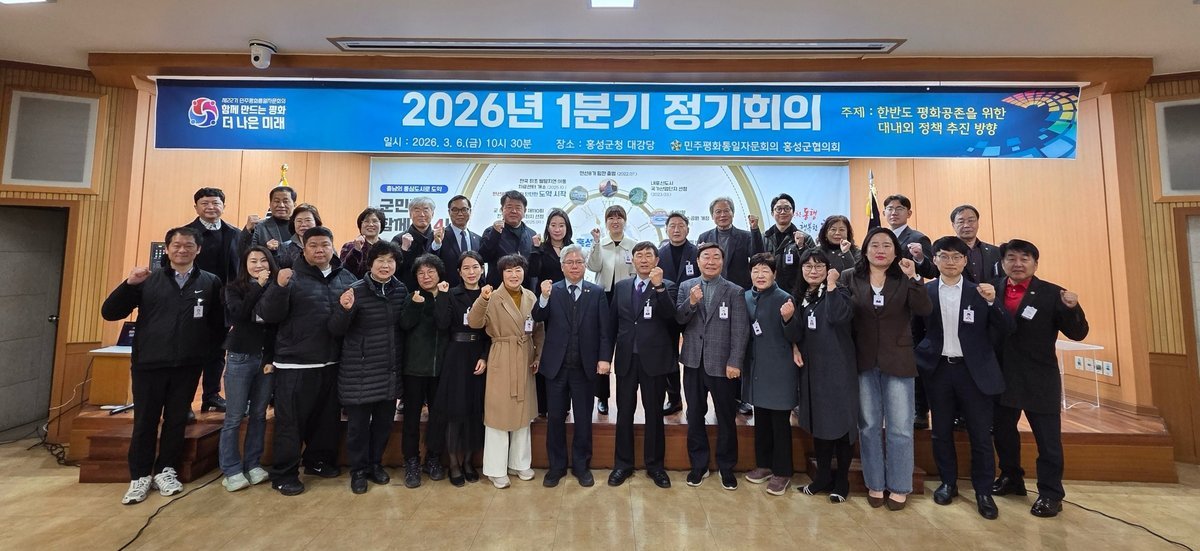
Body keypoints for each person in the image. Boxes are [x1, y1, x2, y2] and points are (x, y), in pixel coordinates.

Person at [102, 227, 224, 505]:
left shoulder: (210, 281)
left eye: (188, 245)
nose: (182, 250)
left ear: (198, 250)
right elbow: (110, 312)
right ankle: (140, 475)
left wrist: (205, 354)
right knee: (145, 421)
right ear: (167, 249)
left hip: (188, 365)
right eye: (176, 245)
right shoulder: (147, 279)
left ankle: (166, 469)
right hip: (149, 363)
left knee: (177, 420)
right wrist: (129, 284)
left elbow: (217, 325)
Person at [990, 239, 1089, 518]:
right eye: (1011, 258)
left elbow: (1078, 333)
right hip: (1001, 375)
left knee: (1048, 440)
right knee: (1003, 433)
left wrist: (1072, 308)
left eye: (1024, 258)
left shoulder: (1053, 293)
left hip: (1039, 377)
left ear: (1035, 263)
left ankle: (1051, 493)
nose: (1018, 264)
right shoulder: (991, 290)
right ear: (1002, 262)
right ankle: (1011, 477)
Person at [915, 236, 1012, 519]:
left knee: (980, 434)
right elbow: (914, 331)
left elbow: (1007, 327)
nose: (950, 262)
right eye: (944, 256)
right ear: (934, 260)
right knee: (940, 431)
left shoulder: (981, 291)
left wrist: (993, 303)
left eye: (956, 257)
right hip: (938, 370)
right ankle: (948, 483)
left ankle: (983, 491)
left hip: (973, 372)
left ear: (965, 260)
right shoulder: (925, 292)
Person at [256, 226, 357, 496]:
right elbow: (269, 315)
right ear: (304, 248)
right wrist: (278, 287)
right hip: (295, 364)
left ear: (333, 247)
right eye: (313, 245)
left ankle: (317, 461)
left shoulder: (345, 277)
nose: (320, 250)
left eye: (325, 245)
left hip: (331, 362)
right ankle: (284, 473)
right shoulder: (289, 276)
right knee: (290, 423)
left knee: (326, 420)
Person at [840, 226, 932, 511]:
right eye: (875, 245)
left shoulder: (904, 277)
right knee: (868, 426)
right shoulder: (849, 276)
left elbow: (924, 309)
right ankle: (875, 483)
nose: (880, 250)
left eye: (887, 245)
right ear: (865, 249)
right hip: (863, 359)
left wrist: (914, 277)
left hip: (898, 360)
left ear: (896, 251)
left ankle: (900, 485)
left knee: (900, 427)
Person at [329, 241, 409, 494]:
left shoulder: (401, 290)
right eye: (380, 260)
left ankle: (375, 464)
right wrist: (344, 309)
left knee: (384, 425)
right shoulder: (355, 290)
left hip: (389, 370)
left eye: (390, 261)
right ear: (370, 263)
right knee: (358, 428)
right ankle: (358, 471)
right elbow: (336, 329)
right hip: (359, 372)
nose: (385, 265)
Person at [534, 244, 613, 487]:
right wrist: (543, 297)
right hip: (556, 368)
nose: (575, 266)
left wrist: (604, 358)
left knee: (583, 419)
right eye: (570, 262)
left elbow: (605, 330)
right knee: (555, 419)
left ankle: (581, 466)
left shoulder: (596, 292)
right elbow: (538, 316)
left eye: (579, 262)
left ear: (585, 265)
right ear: (562, 266)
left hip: (585, 367)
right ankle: (556, 467)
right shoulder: (552, 290)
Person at [675, 242, 750, 490]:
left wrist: (735, 361)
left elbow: (740, 330)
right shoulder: (686, 287)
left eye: (716, 257)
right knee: (695, 414)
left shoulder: (735, 291)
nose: (710, 261)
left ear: (722, 261)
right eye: (705, 257)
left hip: (723, 365)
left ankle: (727, 467)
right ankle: (699, 465)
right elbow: (679, 320)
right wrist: (691, 302)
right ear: (698, 262)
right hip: (693, 361)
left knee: (726, 417)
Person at [467, 254, 544, 489]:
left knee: (523, 414)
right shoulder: (492, 296)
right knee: (498, 415)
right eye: (508, 270)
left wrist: (538, 356)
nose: (514, 274)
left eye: (518, 270)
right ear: (501, 274)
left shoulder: (530, 296)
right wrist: (482, 299)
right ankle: (495, 469)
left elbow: (538, 329)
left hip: (525, 356)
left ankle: (519, 463)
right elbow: (474, 322)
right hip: (501, 355)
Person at [608, 242, 677, 489]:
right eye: (639, 255)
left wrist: (659, 287)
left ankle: (655, 466)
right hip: (626, 359)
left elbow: (672, 317)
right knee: (624, 412)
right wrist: (606, 357)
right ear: (633, 260)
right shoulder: (622, 287)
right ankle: (622, 464)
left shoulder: (668, 286)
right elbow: (612, 325)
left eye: (649, 255)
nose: (644, 259)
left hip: (654, 361)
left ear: (657, 260)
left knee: (654, 414)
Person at [167, 187, 242, 414]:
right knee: (188, 353)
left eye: (215, 203)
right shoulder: (185, 235)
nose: (211, 207)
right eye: (205, 203)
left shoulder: (234, 233)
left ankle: (211, 395)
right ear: (196, 207)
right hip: (192, 302)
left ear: (223, 206)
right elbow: (169, 267)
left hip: (222, 303)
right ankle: (184, 402)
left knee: (217, 352)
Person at [791, 249, 857, 503]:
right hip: (812, 370)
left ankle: (842, 481)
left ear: (828, 269)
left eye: (819, 266)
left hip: (837, 369)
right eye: (808, 266)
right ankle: (822, 478)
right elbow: (799, 331)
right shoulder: (802, 296)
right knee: (819, 423)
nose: (813, 271)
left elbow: (838, 317)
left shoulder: (838, 292)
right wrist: (794, 346)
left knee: (841, 424)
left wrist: (831, 285)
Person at [740, 253, 804, 496]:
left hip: (779, 370)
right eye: (755, 271)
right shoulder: (746, 297)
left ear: (774, 274)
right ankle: (764, 465)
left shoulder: (784, 298)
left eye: (765, 271)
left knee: (780, 424)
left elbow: (796, 335)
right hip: (756, 370)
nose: (760, 275)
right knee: (762, 421)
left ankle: (783, 472)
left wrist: (788, 319)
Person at [217, 245, 277, 493]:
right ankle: (231, 469)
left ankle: (253, 464)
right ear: (245, 265)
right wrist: (257, 286)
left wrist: (272, 358)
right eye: (253, 261)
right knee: (234, 416)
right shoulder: (233, 288)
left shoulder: (276, 287)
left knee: (259, 414)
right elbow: (240, 315)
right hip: (241, 356)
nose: (259, 265)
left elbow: (276, 325)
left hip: (266, 360)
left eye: (264, 260)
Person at [697, 197, 762, 416]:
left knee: (738, 344)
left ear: (733, 213)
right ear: (712, 215)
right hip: (711, 296)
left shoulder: (744, 236)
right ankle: (709, 399)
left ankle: (740, 397)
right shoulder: (704, 237)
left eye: (726, 211)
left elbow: (758, 257)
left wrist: (755, 230)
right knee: (715, 345)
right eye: (718, 211)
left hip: (736, 295)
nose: (722, 215)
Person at [433, 250, 490, 486]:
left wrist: (485, 357)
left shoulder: (489, 294)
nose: (471, 272)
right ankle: (454, 465)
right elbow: (442, 324)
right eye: (466, 268)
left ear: (482, 269)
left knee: (474, 412)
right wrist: (442, 297)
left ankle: (468, 462)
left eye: (475, 267)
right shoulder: (451, 293)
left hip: (479, 356)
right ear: (459, 272)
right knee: (455, 412)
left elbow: (492, 331)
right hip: (456, 357)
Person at [397, 253, 450, 488]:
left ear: (439, 274)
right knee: (410, 418)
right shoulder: (412, 297)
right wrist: (416, 305)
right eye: (421, 273)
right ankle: (411, 461)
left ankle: (433, 458)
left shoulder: (447, 296)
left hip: (440, 370)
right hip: (414, 369)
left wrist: (442, 298)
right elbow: (405, 324)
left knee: (438, 417)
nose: (426, 276)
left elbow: (444, 323)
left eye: (430, 272)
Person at [884, 194, 936, 431]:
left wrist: (920, 257)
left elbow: (931, 271)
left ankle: (919, 410)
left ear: (909, 213)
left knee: (913, 358)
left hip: (909, 306)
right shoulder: (880, 237)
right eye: (890, 208)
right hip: (883, 306)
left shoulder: (917, 238)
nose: (894, 212)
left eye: (899, 208)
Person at [585, 205, 634, 415]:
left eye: (619, 217)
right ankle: (602, 397)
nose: (615, 221)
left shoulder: (633, 245)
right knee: (602, 346)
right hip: (602, 298)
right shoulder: (601, 243)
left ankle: (624, 396)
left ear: (625, 221)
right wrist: (596, 243)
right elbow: (593, 267)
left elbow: (636, 272)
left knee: (625, 346)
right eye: (611, 218)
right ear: (606, 222)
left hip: (626, 299)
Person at [527, 208, 573, 417]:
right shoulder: (541, 248)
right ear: (547, 227)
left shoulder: (572, 249)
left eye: (561, 225)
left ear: (567, 228)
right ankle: (543, 405)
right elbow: (533, 272)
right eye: (553, 225)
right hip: (546, 306)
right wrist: (535, 249)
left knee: (566, 353)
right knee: (545, 352)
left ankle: (564, 404)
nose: (557, 229)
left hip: (568, 306)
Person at [656, 211, 697, 416]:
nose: (676, 229)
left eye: (681, 225)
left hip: (693, 311)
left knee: (694, 356)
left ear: (688, 229)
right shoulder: (659, 254)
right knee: (669, 356)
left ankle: (695, 403)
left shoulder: (697, 252)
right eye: (672, 226)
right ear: (666, 229)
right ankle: (674, 399)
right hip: (668, 311)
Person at [480, 190, 537, 288]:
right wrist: (495, 234)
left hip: (526, 291)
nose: (513, 211)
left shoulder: (532, 234)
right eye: (509, 207)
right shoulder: (491, 232)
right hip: (498, 290)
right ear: (502, 209)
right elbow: (483, 257)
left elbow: (534, 268)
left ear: (525, 211)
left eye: (518, 208)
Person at [433, 195, 482, 287]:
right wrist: (437, 243)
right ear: (449, 212)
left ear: (470, 211)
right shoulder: (439, 236)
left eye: (464, 209)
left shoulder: (478, 239)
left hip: (474, 290)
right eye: (455, 210)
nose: (460, 214)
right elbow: (431, 260)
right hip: (447, 290)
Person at [240, 185, 297, 262]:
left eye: (285, 201)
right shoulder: (259, 227)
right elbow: (245, 254)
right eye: (276, 201)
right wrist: (266, 249)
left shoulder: (301, 227)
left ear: (294, 205)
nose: (281, 205)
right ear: (270, 204)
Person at [391, 196, 437, 292]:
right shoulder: (399, 239)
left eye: (426, 210)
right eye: (417, 210)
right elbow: (393, 269)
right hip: (406, 292)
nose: (422, 214)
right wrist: (404, 250)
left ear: (432, 214)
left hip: (435, 292)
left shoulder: (439, 238)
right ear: (410, 214)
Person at [950, 205, 1004, 283]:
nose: (966, 225)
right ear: (953, 225)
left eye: (971, 220)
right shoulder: (946, 252)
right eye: (961, 222)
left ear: (978, 223)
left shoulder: (995, 251)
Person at [762, 192, 816, 258]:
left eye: (787, 209)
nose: (783, 212)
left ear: (793, 213)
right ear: (772, 213)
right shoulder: (763, 238)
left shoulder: (806, 238)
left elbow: (814, 261)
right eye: (779, 209)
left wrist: (801, 247)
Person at [338, 207, 387, 279]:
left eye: (375, 221)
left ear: (381, 225)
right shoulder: (349, 246)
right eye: (366, 221)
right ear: (360, 225)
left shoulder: (387, 248)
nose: (371, 224)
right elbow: (344, 272)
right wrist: (356, 250)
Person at [278, 204, 322, 269]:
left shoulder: (325, 245)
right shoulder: (285, 248)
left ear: (316, 222)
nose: (303, 224)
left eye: (308, 220)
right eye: (299, 221)